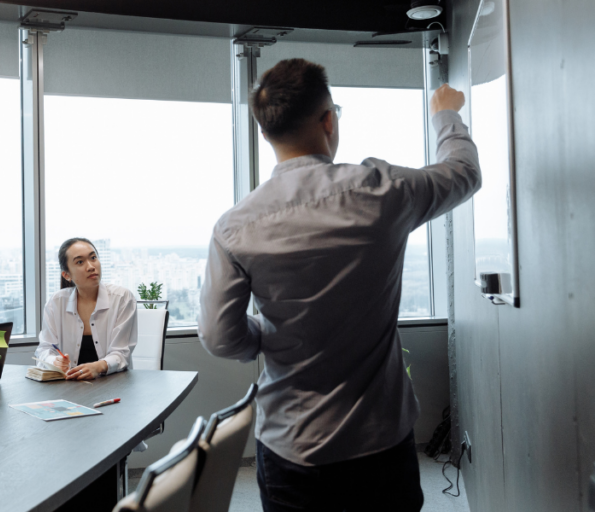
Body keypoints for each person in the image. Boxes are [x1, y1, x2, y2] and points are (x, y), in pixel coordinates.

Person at [198, 58, 480, 511]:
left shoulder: (235, 227)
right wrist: (444, 114)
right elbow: (463, 173)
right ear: (328, 120)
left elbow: (219, 337)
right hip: (380, 443)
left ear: (265, 133)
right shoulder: (382, 191)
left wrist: (269, 336)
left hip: (292, 443)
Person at [35, 238, 137, 380]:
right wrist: (54, 361)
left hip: (114, 383)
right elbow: (45, 348)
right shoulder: (56, 303)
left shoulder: (122, 298)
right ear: (67, 275)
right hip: (69, 384)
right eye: (80, 262)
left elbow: (121, 353)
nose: (90, 266)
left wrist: (98, 367)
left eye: (93, 258)